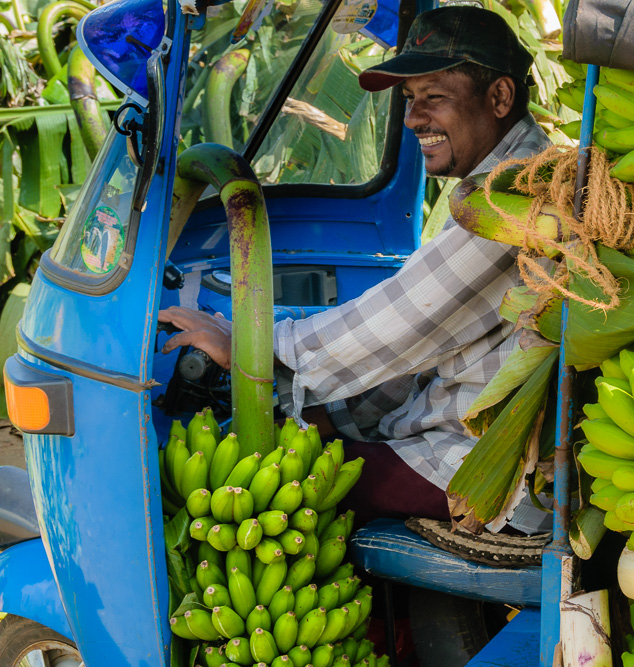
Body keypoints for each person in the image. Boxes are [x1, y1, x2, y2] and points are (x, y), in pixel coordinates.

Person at [158, 6, 554, 534]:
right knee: (315, 425)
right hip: (453, 425)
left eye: (434, 98)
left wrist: (250, 345)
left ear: (500, 97)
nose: (414, 118)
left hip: (480, 463)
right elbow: (424, 345)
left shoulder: (516, 194)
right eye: (410, 100)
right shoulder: (504, 178)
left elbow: (404, 321)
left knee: (272, 488)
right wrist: (317, 403)